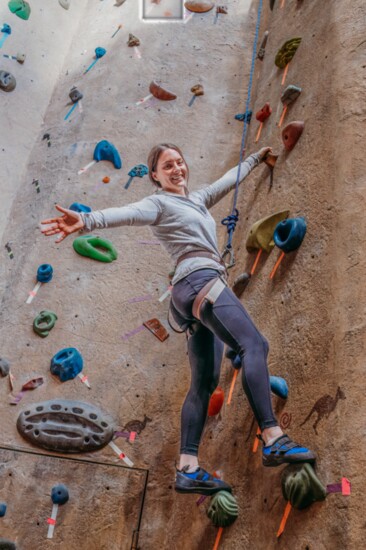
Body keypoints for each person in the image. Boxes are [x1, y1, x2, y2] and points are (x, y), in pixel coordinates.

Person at [41, 143, 316, 496]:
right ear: (155, 175)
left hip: (188, 297)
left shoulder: (197, 199)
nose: (176, 169)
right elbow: (127, 213)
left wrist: (256, 157)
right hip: (200, 280)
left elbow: (227, 180)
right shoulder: (158, 202)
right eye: (167, 165)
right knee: (254, 344)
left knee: (203, 384)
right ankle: (274, 436)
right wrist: (87, 220)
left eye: (180, 162)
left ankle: (187, 468)